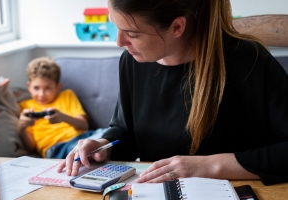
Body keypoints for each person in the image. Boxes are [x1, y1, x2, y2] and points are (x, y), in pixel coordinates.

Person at [58, 0, 288, 185]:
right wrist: (104, 145)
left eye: (132, 33)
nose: (119, 42)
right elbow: (126, 131)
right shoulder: (132, 60)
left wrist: (206, 166)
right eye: (115, 27)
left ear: (177, 27)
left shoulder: (250, 61)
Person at [18, 57, 109, 159]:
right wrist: (22, 128)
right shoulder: (24, 106)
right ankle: (94, 154)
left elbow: (84, 125)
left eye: (48, 88)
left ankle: (96, 153)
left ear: (58, 87)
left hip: (86, 136)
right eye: (36, 88)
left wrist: (63, 117)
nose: (41, 94)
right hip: (57, 147)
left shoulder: (67, 95)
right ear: (29, 86)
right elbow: (31, 147)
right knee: (83, 150)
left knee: (113, 133)